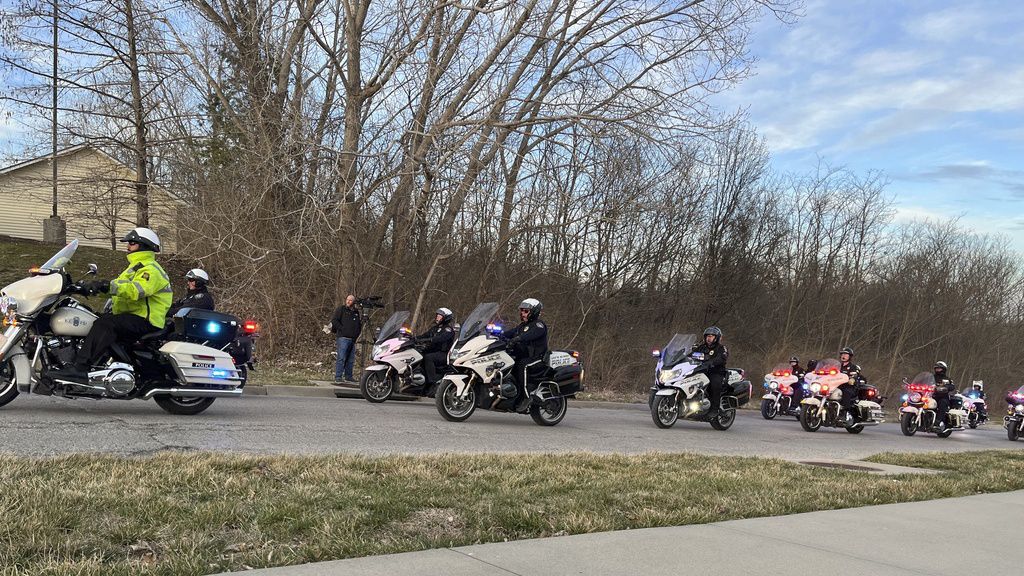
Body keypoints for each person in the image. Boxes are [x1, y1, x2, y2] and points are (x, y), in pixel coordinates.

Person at [51, 228, 172, 384]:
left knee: (105, 324)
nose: (128, 246)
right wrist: (87, 288)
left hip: (145, 320)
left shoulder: (150, 270)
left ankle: (80, 368)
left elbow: (135, 290)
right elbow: (117, 289)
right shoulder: (134, 268)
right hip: (130, 316)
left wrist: (106, 286)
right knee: (89, 317)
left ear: (144, 245)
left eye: (132, 243)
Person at [500, 298, 548, 407]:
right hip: (524, 356)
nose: (522, 313)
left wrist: (518, 339)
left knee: (522, 366)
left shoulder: (539, 325)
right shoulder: (521, 326)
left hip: (537, 358)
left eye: (526, 311)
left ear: (534, 312)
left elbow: (529, 335)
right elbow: (510, 333)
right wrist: (496, 333)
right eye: (521, 311)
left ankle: (526, 397)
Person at [415, 307, 456, 389]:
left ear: (446, 318)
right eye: (437, 315)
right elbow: (424, 335)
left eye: (440, 316)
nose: (437, 317)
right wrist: (413, 338)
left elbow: (441, 339)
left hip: (443, 354)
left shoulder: (448, 330)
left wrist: (430, 340)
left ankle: (432, 383)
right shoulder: (434, 328)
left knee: (428, 358)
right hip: (433, 351)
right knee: (417, 354)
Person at [693, 327, 729, 416]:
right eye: (707, 336)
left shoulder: (721, 348)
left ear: (716, 338)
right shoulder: (701, 347)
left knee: (714, 385)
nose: (709, 338)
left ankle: (714, 409)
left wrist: (711, 362)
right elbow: (690, 355)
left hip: (716, 372)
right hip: (701, 371)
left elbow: (722, 358)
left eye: (711, 336)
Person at [329, 295, 362, 383]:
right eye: (347, 300)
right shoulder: (341, 309)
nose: (348, 301)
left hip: (352, 339)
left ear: (353, 302)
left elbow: (358, 325)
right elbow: (334, 321)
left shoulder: (356, 312)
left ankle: (348, 376)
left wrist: (356, 335)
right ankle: (338, 376)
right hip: (343, 337)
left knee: (350, 359)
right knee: (341, 357)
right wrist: (342, 329)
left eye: (350, 300)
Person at [838, 347, 863, 424]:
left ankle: (845, 412)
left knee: (846, 392)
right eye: (842, 354)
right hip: (837, 386)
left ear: (850, 356)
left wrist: (852, 379)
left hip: (849, 387)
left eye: (845, 354)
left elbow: (854, 376)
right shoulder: (837, 366)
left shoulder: (853, 367)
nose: (843, 356)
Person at [932, 361, 955, 431]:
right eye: (936, 368)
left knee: (942, 403)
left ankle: (937, 422)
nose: (938, 370)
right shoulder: (931, 377)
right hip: (931, 396)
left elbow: (952, 386)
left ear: (944, 369)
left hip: (942, 397)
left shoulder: (947, 379)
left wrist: (947, 387)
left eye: (939, 368)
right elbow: (923, 382)